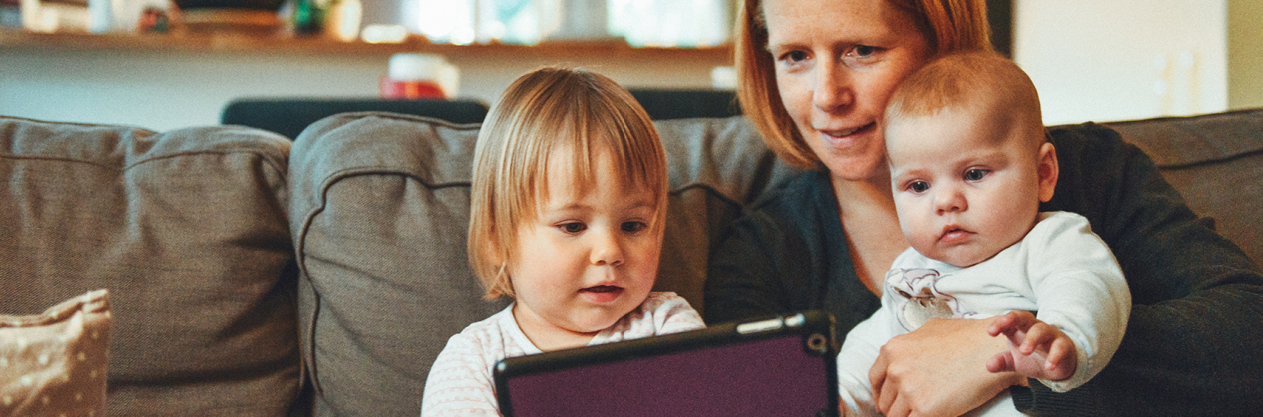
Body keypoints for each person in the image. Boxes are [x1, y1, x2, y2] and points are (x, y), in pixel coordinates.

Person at [704, 0, 1263, 415]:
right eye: (795, 56)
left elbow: (1246, 332)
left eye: (861, 51)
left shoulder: (1089, 175)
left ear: (940, 39)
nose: (827, 95)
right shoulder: (761, 254)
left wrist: (996, 356)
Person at [836, 51, 1131, 416]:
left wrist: (1062, 341)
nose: (945, 202)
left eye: (974, 174)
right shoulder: (911, 270)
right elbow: (874, 344)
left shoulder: (1050, 241)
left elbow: (1089, 288)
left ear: (1043, 173)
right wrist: (842, 396)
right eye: (918, 185)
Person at [420, 67, 706, 416]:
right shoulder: (473, 362)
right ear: (497, 239)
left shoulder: (667, 326)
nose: (609, 252)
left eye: (632, 225)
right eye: (572, 226)